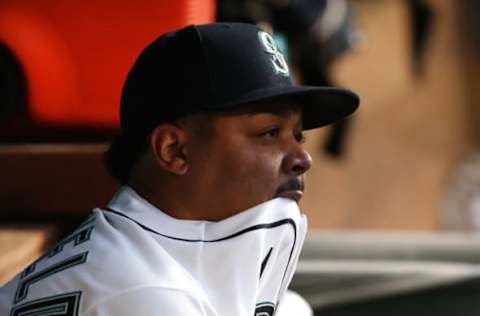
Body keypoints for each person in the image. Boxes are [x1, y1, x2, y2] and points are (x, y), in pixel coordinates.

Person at [0, 23, 358, 316]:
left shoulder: (147, 258)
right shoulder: (141, 294)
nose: (301, 159)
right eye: (269, 134)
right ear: (174, 151)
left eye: (299, 137)